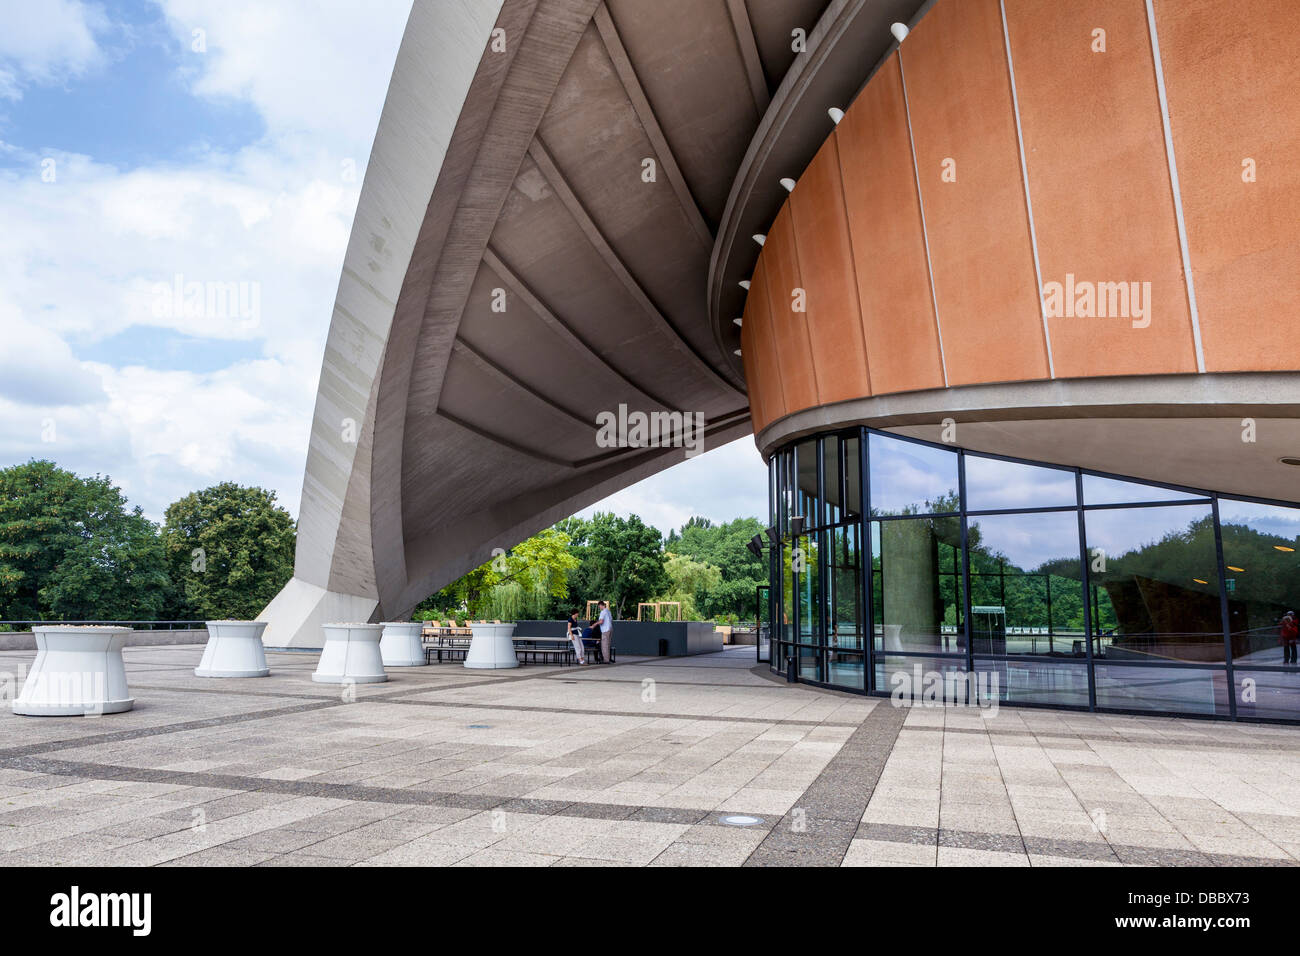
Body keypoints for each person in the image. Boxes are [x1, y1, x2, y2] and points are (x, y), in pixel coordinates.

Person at [597, 599, 614, 665]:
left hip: (605, 630)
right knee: (608, 645)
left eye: (599, 607)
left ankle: (606, 660)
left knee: (604, 645)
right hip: (610, 629)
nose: (599, 608)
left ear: (601, 605)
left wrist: (594, 624)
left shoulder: (603, 612)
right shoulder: (608, 611)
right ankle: (608, 658)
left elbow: (601, 621)